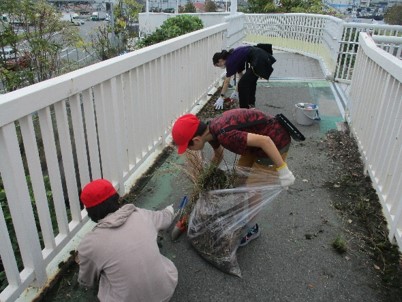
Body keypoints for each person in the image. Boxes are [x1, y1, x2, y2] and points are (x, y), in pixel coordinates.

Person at [171, 108, 295, 246]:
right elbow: (218, 155)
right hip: (255, 144)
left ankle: (251, 228)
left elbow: (265, 141)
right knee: (240, 179)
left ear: (196, 139)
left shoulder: (225, 135)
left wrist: (283, 171)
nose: (189, 150)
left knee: (253, 190)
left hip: (275, 143)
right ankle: (242, 215)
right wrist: (206, 176)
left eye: (188, 147)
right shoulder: (211, 131)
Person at [77, 179, 178, 302]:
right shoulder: (141, 214)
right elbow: (165, 219)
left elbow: (86, 281)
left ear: (89, 212)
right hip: (166, 290)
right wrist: (169, 210)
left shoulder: (89, 245)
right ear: (116, 198)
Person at [212, 44, 276, 109]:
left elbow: (227, 81)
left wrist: (221, 97)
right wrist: (236, 92)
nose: (219, 67)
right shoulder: (232, 56)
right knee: (250, 82)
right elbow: (241, 76)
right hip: (260, 56)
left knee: (243, 84)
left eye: (218, 65)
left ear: (220, 60)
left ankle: (244, 109)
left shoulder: (230, 62)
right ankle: (251, 104)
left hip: (259, 59)